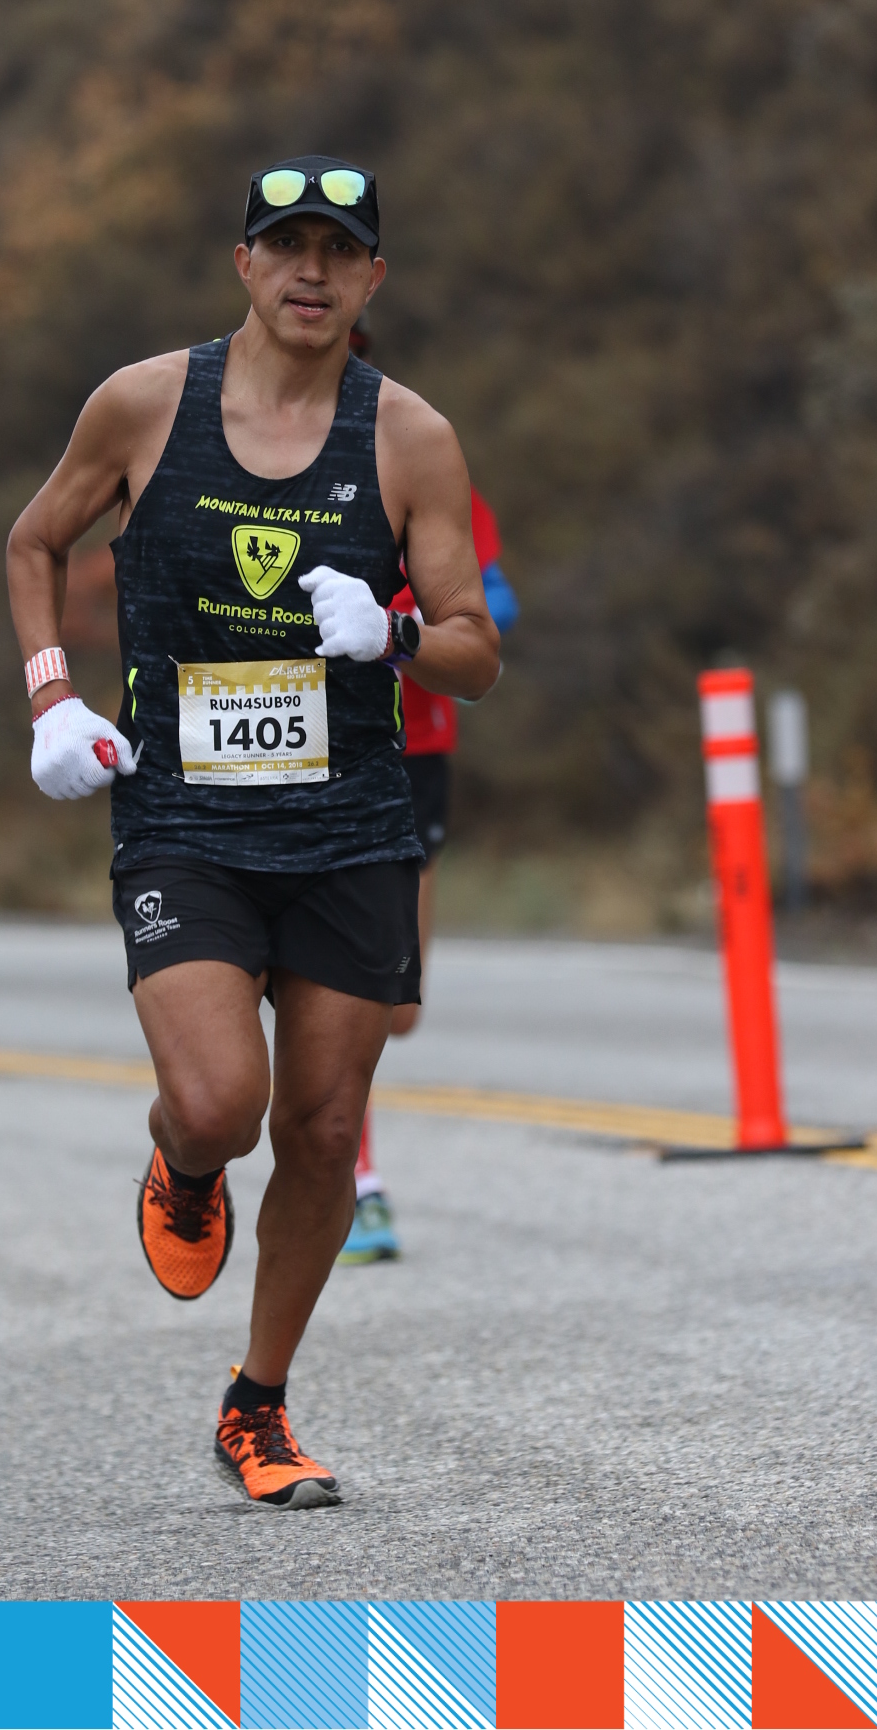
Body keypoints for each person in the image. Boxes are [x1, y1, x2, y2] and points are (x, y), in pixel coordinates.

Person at [6, 157, 500, 1507]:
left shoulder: (410, 438)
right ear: (243, 263)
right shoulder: (144, 404)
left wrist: (393, 634)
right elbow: (34, 541)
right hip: (184, 819)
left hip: (350, 827)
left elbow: (475, 649)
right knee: (222, 1102)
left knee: (326, 1131)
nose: (310, 273)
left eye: (338, 252)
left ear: (372, 278)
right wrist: (52, 697)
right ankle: (184, 1162)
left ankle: (257, 1405)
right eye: (286, 246)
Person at [340, 317, 520, 1263]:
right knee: (340, 983)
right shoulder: (250, 470)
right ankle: (355, 1182)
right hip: (315, 752)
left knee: (398, 1007)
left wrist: (400, 622)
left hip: (417, 746)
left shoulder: (425, 460)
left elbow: (492, 602)